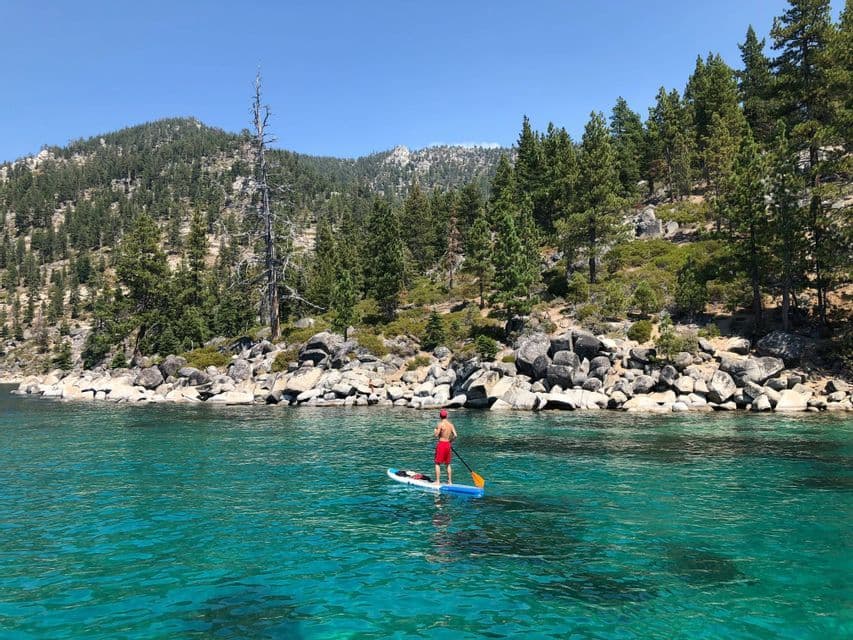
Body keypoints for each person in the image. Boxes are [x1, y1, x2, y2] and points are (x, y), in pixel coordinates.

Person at [433, 409, 457, 485]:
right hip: (447, 444)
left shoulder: (440, 424)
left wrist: (435, 431)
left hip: (441, 444)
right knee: (448, 464)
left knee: (437, 463)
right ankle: (449, 481)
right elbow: (455, 435)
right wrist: (450, 441)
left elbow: (436, 435)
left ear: (440, 416)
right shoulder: (451, 425)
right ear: (446, 416)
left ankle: (438, 481)